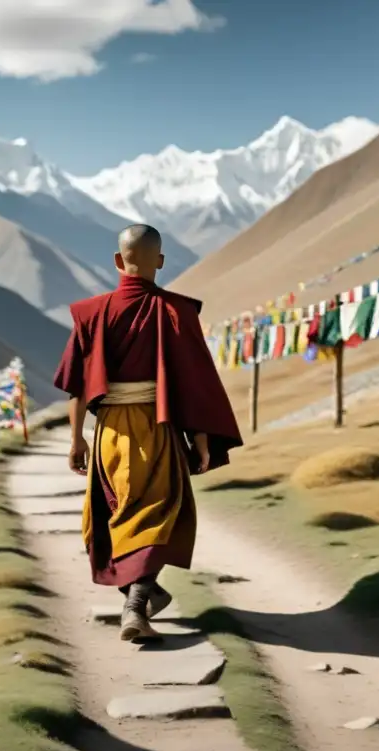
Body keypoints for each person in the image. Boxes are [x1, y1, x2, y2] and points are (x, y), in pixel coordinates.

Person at [53, 224, 243, 642]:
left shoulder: (91, 313)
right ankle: (137, 604)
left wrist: (76, 440)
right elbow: (195, 387)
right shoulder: (176, 312)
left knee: (114, 517)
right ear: (160, 261)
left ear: (119, 262)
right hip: (157, 431)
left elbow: (76, 386)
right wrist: (203, 443)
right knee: (154, 516)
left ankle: (141, 597)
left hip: (108, 435)